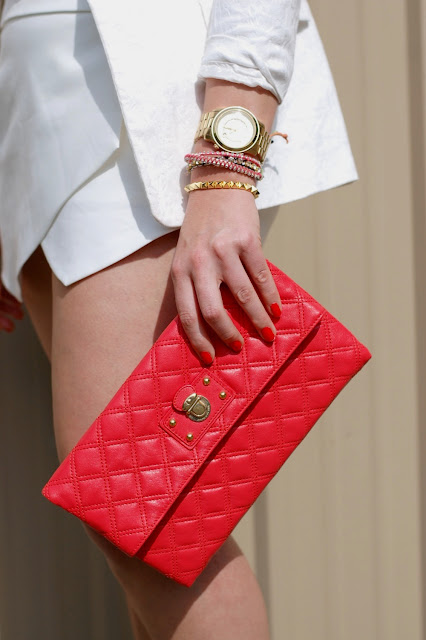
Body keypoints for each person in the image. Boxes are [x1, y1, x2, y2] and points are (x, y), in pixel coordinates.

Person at [0, 1, 358, 638]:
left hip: (137, 113)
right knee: (152, 547)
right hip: (38, 109)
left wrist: (228, 160)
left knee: (139, 512)